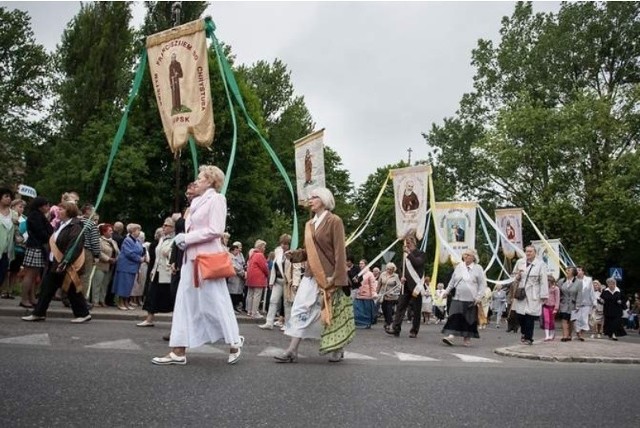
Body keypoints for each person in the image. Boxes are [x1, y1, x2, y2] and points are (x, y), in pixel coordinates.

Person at [152, 165, 244, 366]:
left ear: (211, 181)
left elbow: (216, 229)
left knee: (215, 301)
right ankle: (178, 351)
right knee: (184, 303)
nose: (197, 180)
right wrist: (184, 240)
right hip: (190, 260)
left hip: (207, 260)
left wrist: (187, 237)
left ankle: (235, 341)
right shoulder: (195, 203)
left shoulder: (217, 199)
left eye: (201, 177)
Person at [275, 187, 354, 363]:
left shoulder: (335, 221)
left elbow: (340, 251)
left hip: (328, 276)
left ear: (324, 200)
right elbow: (309, 251)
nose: (310, 200)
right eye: (309, 198)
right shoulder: (309, 224)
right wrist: (296, 255)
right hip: (311, 274)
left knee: (328, 312)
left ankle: (338, 347)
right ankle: (292, 350)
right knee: (301, 309)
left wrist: (337, 278)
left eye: (314, 197)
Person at [21, 201, 91, 323]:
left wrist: (65, 262)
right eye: (58, 209)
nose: (58, 211)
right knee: (47, 289)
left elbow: (74, 246)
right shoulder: (60, 224)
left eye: (62, 209)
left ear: (69, 211)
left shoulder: (75, 227)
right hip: (55, 263)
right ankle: (39, 313)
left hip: (65, 264)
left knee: (71, 290)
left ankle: (83, 313)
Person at [441, 248, 488, 347]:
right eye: (465, 254)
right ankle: (450, 336)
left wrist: (479, 297)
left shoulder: (478, 268)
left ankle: (467, 339)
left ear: (474, 257)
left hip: (471, 299)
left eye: (468, 255)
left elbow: (482, 284)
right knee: (454, 316)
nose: (466, 256)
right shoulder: (459, 267)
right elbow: (452, 281)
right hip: (457, 297)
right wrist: (446, 291)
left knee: (469, 320)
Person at [385, 235, 426, 338]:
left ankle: (414, 330)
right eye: (406, 244)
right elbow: (400, 268)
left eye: (408, 243)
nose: (407, 246)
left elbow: (417, 263)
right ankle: (396, 328)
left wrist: (409, 253)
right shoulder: (404, 256)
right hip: (406, 286)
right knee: (400, 307)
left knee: (416, 310)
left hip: (416, 286)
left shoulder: (421, 254)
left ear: (414, 243)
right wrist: (401, 276)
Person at [138, 218, 175, 327]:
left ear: (173, 228)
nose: (163, 227)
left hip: (167, 272)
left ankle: (176, 322)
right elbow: (158, 256)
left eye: (166, 225)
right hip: (158, 271)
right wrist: (153, 269)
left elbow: (167, 253)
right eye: (163, 225)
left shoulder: (175, 239)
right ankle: (149, 319)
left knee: (170, 297)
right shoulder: (162, 239)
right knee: (152, 294)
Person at [511, 245, 549, 345]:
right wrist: (517, 276)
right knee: (520, 315)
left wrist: (543, 295)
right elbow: (513, 275)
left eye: (530, 252)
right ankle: (523, 332)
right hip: (521, 291)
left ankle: (529, 338)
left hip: (533, 293)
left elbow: (543, 280)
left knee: (530, 316)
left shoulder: (540, 264)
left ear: (535, 253)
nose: (528, 253)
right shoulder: (520, 262)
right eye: (527, 251)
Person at [259, 234, 291, 329]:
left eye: (285, 244)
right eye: (282, 243)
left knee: (287, 303)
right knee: (273, 301)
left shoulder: (293, 252)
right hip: (277, 280)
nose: (283, 245)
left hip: (287, 282)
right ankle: (269, 322)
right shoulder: (278, 251)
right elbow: (274, 267)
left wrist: (294, 283)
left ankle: (288, 325)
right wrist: (271, 282)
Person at [112, 223, 145, 310]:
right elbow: (129, 253)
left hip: (133, 266)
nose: (139, 232)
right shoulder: (127, 240)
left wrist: (142, 257)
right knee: (123, 285)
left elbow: (140, 250)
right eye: (138, 230)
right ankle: (121, 302)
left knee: (129, 285)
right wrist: (139, 259)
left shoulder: (137, 241)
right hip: (125, 266)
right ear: (133, 231)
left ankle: (126, 302)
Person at [3, 199, 26, 299]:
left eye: (23, 207)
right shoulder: (8, 216)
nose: (22, 209)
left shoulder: (25, 220)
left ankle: (11, 290)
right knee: (5, 270)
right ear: (13, 207)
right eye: (20, 206)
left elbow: (25, 234)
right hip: (7, 248)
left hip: (19, 249)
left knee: (14, 271)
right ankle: (4, 290)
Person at [91, 223, 119, 307]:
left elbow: (117, 252)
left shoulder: (113, 241)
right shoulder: (99, 240)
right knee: (97, 283)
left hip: (110, 266)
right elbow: (98, 252)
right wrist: (108, 259)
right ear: (104, 232)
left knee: (105, 284)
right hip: (100, 264)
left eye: (112, 231)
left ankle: (102, 300)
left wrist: (116, 259)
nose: (112, 232)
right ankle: (95, 301)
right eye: (110, 231)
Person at [246, 239, 269, 319]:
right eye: (264, 247)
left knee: (250, 294)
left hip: (250, 277)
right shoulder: (260, 255)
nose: (265, 248)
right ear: (260, 247)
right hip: (258, 278)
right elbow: (264, 267)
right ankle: (254, 312)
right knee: (257, 295)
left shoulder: (252, 254)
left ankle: (249, 310)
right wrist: (267, 274)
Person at [571, 267, 595, 341]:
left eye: (579, 270)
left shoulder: (588, 280)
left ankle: (581, 334)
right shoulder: (573, 279)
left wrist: (594, 302)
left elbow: (591, 291)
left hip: (586, 303)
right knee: (575, 320)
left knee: (584, 320)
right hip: (575, 303)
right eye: (577, 270)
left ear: (583, 272)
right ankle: (578, 334)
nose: (578, 271)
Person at [0, 188, 16, 296]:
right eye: (6, 196)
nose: (9, 199)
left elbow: (17, 231)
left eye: (10, 197)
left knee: (2, 274)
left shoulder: (14, 214)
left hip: (7, 250)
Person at [353, 259, 378, 329]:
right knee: (358, 309)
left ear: (366, 265)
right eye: (360, 263)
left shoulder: (370, 274)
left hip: (367, 295)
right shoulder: (358, 273)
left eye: (362, 264)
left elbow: (372, 284)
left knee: (367, 310)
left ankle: (368, 323)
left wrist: (374, 293)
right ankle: (359, 322)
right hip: (359, 294)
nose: (360, 265)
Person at [377, 262, 401, 330]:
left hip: (391, 296)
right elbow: (379, 284)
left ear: (393, 269)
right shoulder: (382, 274)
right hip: (383, 295)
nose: (389, 270)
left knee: (389, 309)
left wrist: (393, 292)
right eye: (387, 269)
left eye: (390, 269)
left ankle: (389, 323)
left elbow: (399, 286)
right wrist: (377, 293)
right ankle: (387, 320)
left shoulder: (396, 276)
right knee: (384, 309)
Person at [558, 267, 579, 342]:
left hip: (573, 304)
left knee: (570, 320)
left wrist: (578, 305)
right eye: (566, 270)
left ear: (573, 272)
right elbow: (559, 292)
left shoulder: (578, 282)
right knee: (564, 319)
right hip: (563, 303)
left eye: (569, 270)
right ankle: (565, 335)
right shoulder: (561, 281)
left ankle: (569, 335)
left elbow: (580, 294)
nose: (566, 271)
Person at [227, 244, 246, 314]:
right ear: (232, 250)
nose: (237, 252)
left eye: (238, 250)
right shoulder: (230, 257)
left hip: (238, 278)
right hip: (233, 277)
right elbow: (234, 267)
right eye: (236, 250)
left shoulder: (237, 257)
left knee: (237, 293)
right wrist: (242, 273)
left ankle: (235, 306)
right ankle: (232, 307)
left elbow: (240, 266)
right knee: (233, 293)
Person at [541, 275, 560, 341]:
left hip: (552, 306)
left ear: (551, 281)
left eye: (548, 281)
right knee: (546, 320)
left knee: (552, 321)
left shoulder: (556, 288)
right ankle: (547, 335)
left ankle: (552, 334)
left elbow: (557, 299)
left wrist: (556, 308)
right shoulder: (544, 288)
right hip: (545, 305)